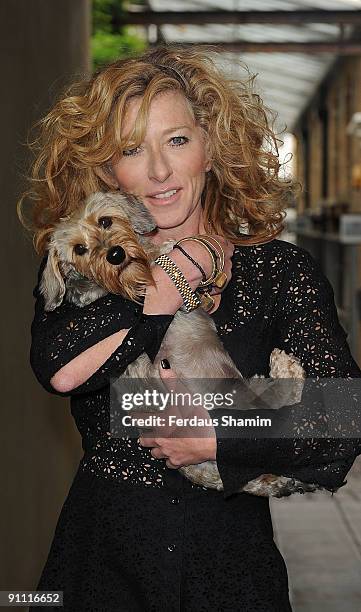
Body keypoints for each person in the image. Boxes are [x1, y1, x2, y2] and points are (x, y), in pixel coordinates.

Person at [18, 44, 361, 611]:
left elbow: (342, 412)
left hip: (232, 569)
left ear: (211, 147)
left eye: (177, 140)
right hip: (103, 563)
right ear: (107, 169)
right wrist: (163, 288)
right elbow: (58, 368)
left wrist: (216, 432)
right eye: (132, 149)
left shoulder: (278, 271)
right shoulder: (85, 262)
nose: (158, 171)